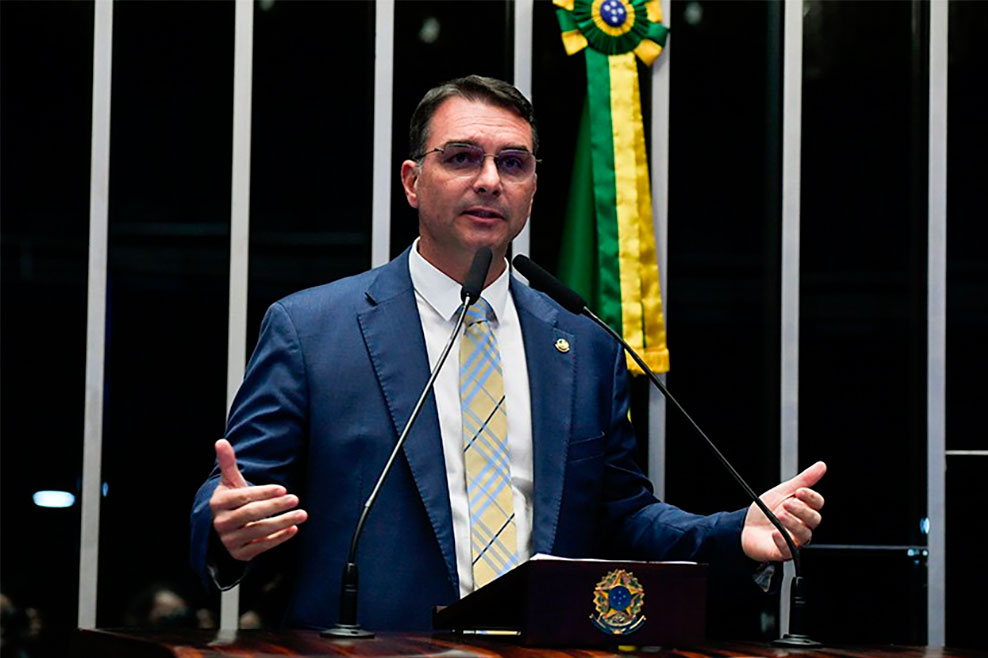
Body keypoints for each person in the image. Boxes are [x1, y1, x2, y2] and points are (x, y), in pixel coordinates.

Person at [190, 75, 826, 632]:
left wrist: (733, 532)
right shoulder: (313, 330)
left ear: (533, 187)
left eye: (513, 163)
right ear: (412, 181)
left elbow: (622, 517)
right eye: (462, 158)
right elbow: (239, 492)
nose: (490, 180)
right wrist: (225, 528)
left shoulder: (583, 342)